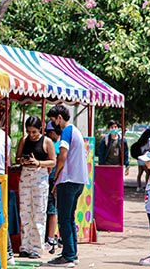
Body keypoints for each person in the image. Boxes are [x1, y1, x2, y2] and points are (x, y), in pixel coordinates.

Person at [46, 104, 88, 267]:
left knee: (64, 218)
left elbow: (62, 155)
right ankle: (72, 253)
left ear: (59, 118)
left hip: (68, 180)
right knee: (68, 218)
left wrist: (55, 177)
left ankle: (68, 256)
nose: (53, 124)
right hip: (78, 181)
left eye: (53, 120)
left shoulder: (67, 131)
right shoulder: (76, 131)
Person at [16, 116, 56, 259]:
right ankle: (25, 246)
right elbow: (17, 157)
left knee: (39, 212)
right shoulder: (24, 140)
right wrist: (23, 160)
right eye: (29, 132)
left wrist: (38, 162)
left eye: (34, 132)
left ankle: (37, 248)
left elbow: (52, 161)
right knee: (25, 212)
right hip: (26, 174)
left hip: (40, 177)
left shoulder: (47, 141)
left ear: (40, 129)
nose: (31, 135)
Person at [45, 120, 62, 254]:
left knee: (52, 209)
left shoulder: (55, 145)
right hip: (54, 181)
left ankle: (50, 239)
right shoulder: (60, 144)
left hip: (53, 180)